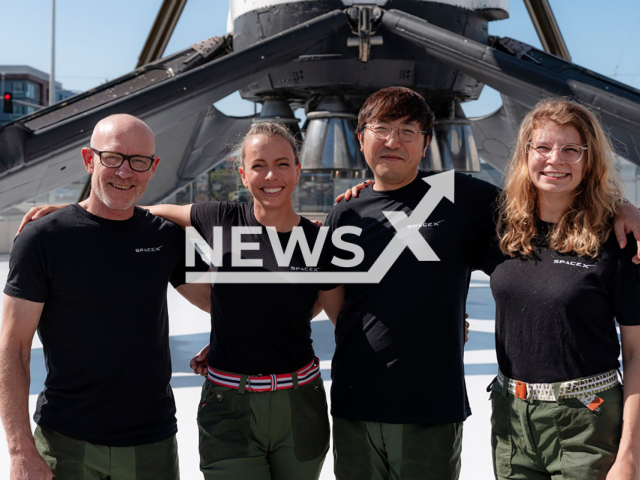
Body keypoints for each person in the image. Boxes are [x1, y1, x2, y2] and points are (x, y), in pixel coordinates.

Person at [326, 87, 640, 480]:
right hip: (494, 416)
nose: (393, 141)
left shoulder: (463, 198)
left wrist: (623, 208)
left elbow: (556, 196)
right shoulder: (346, 215)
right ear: (361, 138)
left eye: (408, 130)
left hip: (562, 418)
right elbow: (334, 298)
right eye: (381, 129)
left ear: (426, 143)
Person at [0, 114, 211, 480]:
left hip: (152, 446)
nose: (125, 172)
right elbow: (13, 347)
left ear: (152, 167)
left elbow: (226, 303)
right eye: (112, 157)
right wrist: (19, 453)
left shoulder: (166, 238)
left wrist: (226, 338)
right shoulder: (42, 239)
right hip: (65, 444)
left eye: (138, 161)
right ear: (89, 159)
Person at [129, 122, 343, 479]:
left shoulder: (318, 240)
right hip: (228, 406)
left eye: (282, 163)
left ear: (298, 171)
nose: (270, 174)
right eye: (258, 165)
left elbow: (340, 317)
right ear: (243, 174)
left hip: (300, 404)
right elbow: (152, 212)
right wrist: (74, 210)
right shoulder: (217, 218)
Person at [480, 99, 640, 480]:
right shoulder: (498, 228)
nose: (556, 160)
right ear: (526, 154)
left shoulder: (619, 240)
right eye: (544, 147)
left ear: (589, 161)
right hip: (510, 420)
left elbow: (637, 354)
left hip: (587, 421)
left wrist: (630, 455)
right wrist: (373, 188)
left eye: (572, 150)